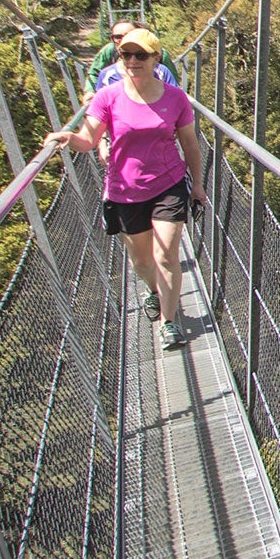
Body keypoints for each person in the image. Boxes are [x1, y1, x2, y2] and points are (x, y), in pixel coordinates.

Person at [45, 27, 205, 349]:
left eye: (140, 55)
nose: (132, 61)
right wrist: (67, 138)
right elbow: (89, 140)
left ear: (156, 59)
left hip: (168, 183)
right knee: (142, 262)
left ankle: (169, 323)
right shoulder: (108, 96)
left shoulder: (175, 98)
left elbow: (190, 144)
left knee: (166, 256)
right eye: (126, 54)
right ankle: (154, 290)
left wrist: (198, 186)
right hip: (125, 188)